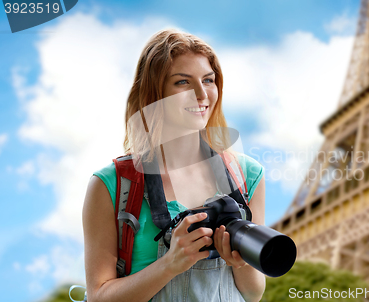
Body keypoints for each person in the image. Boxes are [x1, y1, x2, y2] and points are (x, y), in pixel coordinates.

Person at [83, 29, 266, 302]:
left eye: (208, 80)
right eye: (182, 82)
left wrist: (238, 261)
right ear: (154, 93)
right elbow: (99, 296)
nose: (201, 94)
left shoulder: (247, 175)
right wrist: (170, 264)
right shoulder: (112, 184)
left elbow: (252, 292)